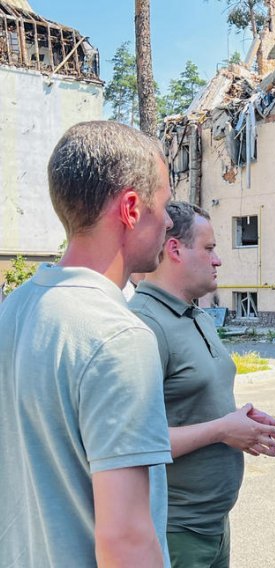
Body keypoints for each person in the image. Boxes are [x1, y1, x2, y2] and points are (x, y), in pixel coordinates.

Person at [0, 121, 174, 566]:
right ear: (132, 208)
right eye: (165, 204)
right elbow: (126, 541)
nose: (170, 221)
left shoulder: (12, 311)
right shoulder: (118, 335)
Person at [129, 202, 275, 568]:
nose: (218, 260)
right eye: (210, 248)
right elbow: (133, 442)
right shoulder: (144, 325)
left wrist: (240, 423)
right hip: (175, 531)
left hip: (213, 526)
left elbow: (189, 405)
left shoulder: (197, 315)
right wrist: (221, 430)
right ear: (174, 250)